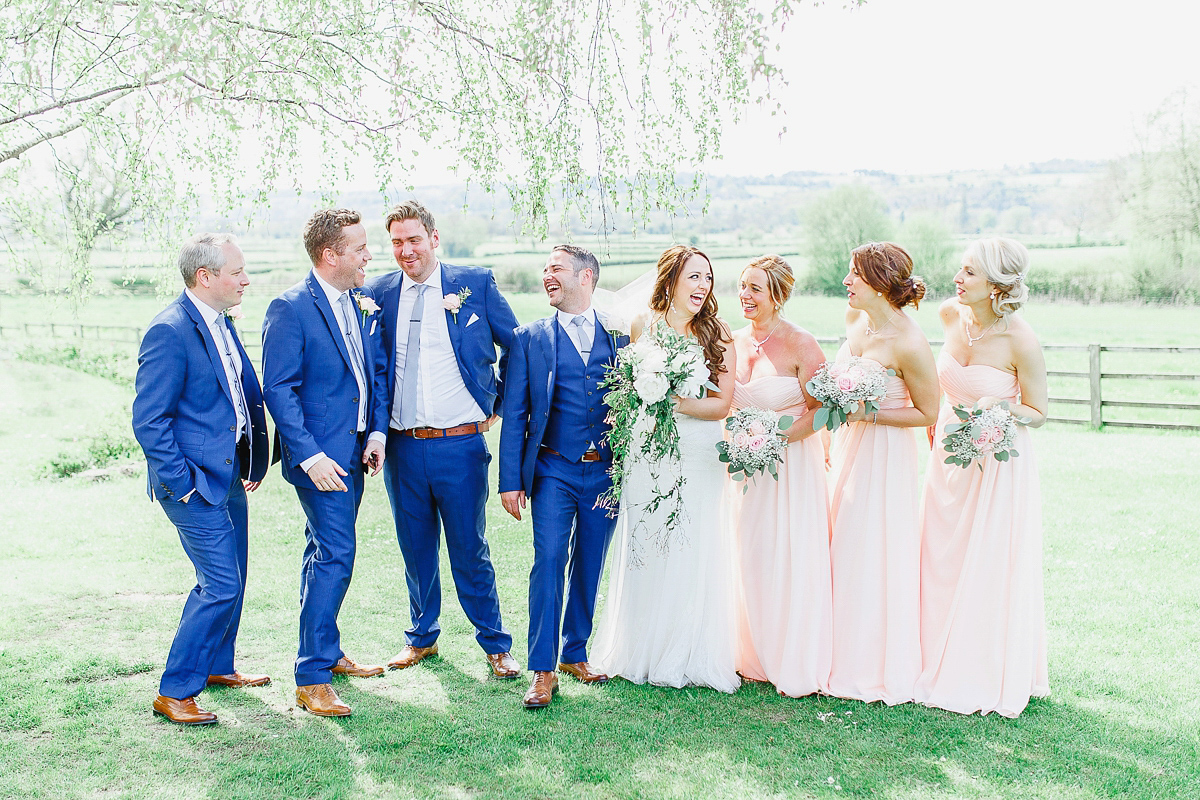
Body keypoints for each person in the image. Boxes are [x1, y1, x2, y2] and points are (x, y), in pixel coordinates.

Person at [366, 201, 522, 679]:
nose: (406, 250)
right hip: (403, 446)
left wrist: (498, 403)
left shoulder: (472, 283)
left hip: (461, 446)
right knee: (414, 547)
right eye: (396, 242)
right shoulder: (377, 294)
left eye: (414, 239)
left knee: (469, 548)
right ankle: (421, 637)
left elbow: (516, 345)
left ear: (434, 239)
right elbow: (373, 368)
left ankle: (495, 644)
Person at [132, 233, 270, 725]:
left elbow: (235, 396)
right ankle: (175, 691)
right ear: (205, 277)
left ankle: (216, 666)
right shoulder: (169, 330)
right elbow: (150, 420)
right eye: (237, 272)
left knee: (236, 576)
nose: (246, 280)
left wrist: (251, 462)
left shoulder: (221, 322)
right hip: (193, 484)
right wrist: (183, 483)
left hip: (228, 476)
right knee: (220, 585)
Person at [590, 244, 740, 693]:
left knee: (693, 541)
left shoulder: (718, 333)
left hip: (697, 450)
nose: (703, 286)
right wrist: (643, 401)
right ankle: (641, 647)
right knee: (649, 540)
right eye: (694, 276)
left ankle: (689, 651)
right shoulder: (642, 326)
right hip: (647, 449)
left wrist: (674, 401)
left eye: (708, 278)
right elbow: (628, 387)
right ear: (672, 279)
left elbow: (722, 404)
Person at [262, 209, 390, 717]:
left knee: (322, 550)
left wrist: (375, 431)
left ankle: (328, 652)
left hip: (357, 450)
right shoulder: (289, 307)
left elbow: (372, 372)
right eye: (359, 248)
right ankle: (311, 676)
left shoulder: (359, 302)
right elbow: (279, 388)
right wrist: (310, 455)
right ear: (329, 255)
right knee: (337, 552)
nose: (368, 255)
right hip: (320, 460)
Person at [915, 237, 1050, 717]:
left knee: (987, 561)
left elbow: (1038, 411)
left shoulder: (1021, 340)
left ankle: (978, 665)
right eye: (961, 269)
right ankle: (929, 655)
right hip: (947, 456)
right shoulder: (950, 316)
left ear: (996, 284)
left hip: (997, 464)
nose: (958, 278)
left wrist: (1001, 408)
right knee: (938, 555)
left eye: (969, 272)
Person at [498, 245, 630, 708]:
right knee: (550, 559)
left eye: (555, 269)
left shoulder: (622, 336)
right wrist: (510, 480)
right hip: (553, 469)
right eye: (545, 269)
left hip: (605, 473)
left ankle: (575, 651)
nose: (546, 276)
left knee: (590, 561)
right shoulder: (529, 338)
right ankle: (542, 669)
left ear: (586, 276)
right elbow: (515, 413)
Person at [827, 242, 939, 705]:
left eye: (855, 274)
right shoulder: (855, 322)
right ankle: (830, 649)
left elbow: (928, 412)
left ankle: (870, 662)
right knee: (838, 539)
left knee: (870, 545)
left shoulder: (910, 343)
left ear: (877, 281)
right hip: (847, 443)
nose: (847, 281)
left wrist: (868, 416)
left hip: (885, 453)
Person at [729, 255, 832, 698]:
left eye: (755, 288)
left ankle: (792, 654)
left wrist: (773, 440)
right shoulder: (730, 341)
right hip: (744, 469)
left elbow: (823, 410)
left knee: (790, 554)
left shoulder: (801, 343)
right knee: (749, 552)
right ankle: (748, 651)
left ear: (778, 294)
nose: (745, 296)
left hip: (790, 467)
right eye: (742, 286)